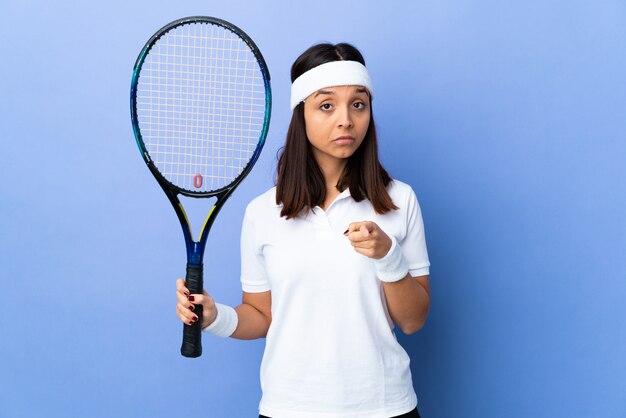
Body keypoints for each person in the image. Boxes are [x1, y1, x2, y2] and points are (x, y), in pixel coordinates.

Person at [175, 42, 431, 418]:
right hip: (289, 407)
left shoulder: (399, 200)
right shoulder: (263, 212)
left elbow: (414, 320)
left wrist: (388, 257)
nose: (345, 119)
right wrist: (215, 317)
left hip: (385, 406)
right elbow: (261, 317)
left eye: (358, 104)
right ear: (302, 115)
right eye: (326, 105)